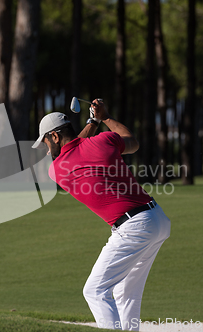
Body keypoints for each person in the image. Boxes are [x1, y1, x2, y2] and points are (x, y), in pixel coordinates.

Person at [32, 99, 171, 331]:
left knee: (95, 291)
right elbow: (132, 142)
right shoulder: (104, 141)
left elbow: (76, 146)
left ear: (55, 137)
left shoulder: (57, 170)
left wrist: (94, 121)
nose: (46, 150)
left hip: (133, 227)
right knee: (125, 292)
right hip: (157, 219)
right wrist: (103, 118)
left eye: (46, 142)